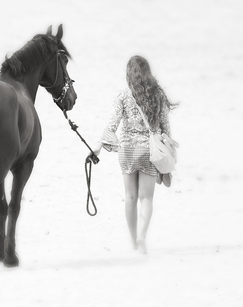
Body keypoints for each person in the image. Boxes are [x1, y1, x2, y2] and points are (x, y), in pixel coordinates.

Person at [92, 55, 179, 254]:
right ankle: (142, 237)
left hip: (127, 151)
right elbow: (165, 128)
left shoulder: (122, 95)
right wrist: (169, 153)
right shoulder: (157, 94)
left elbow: (112, 124)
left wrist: (98, 146)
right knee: (146, 199)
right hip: (150, 152)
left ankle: (132, 241)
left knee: (130, 197)